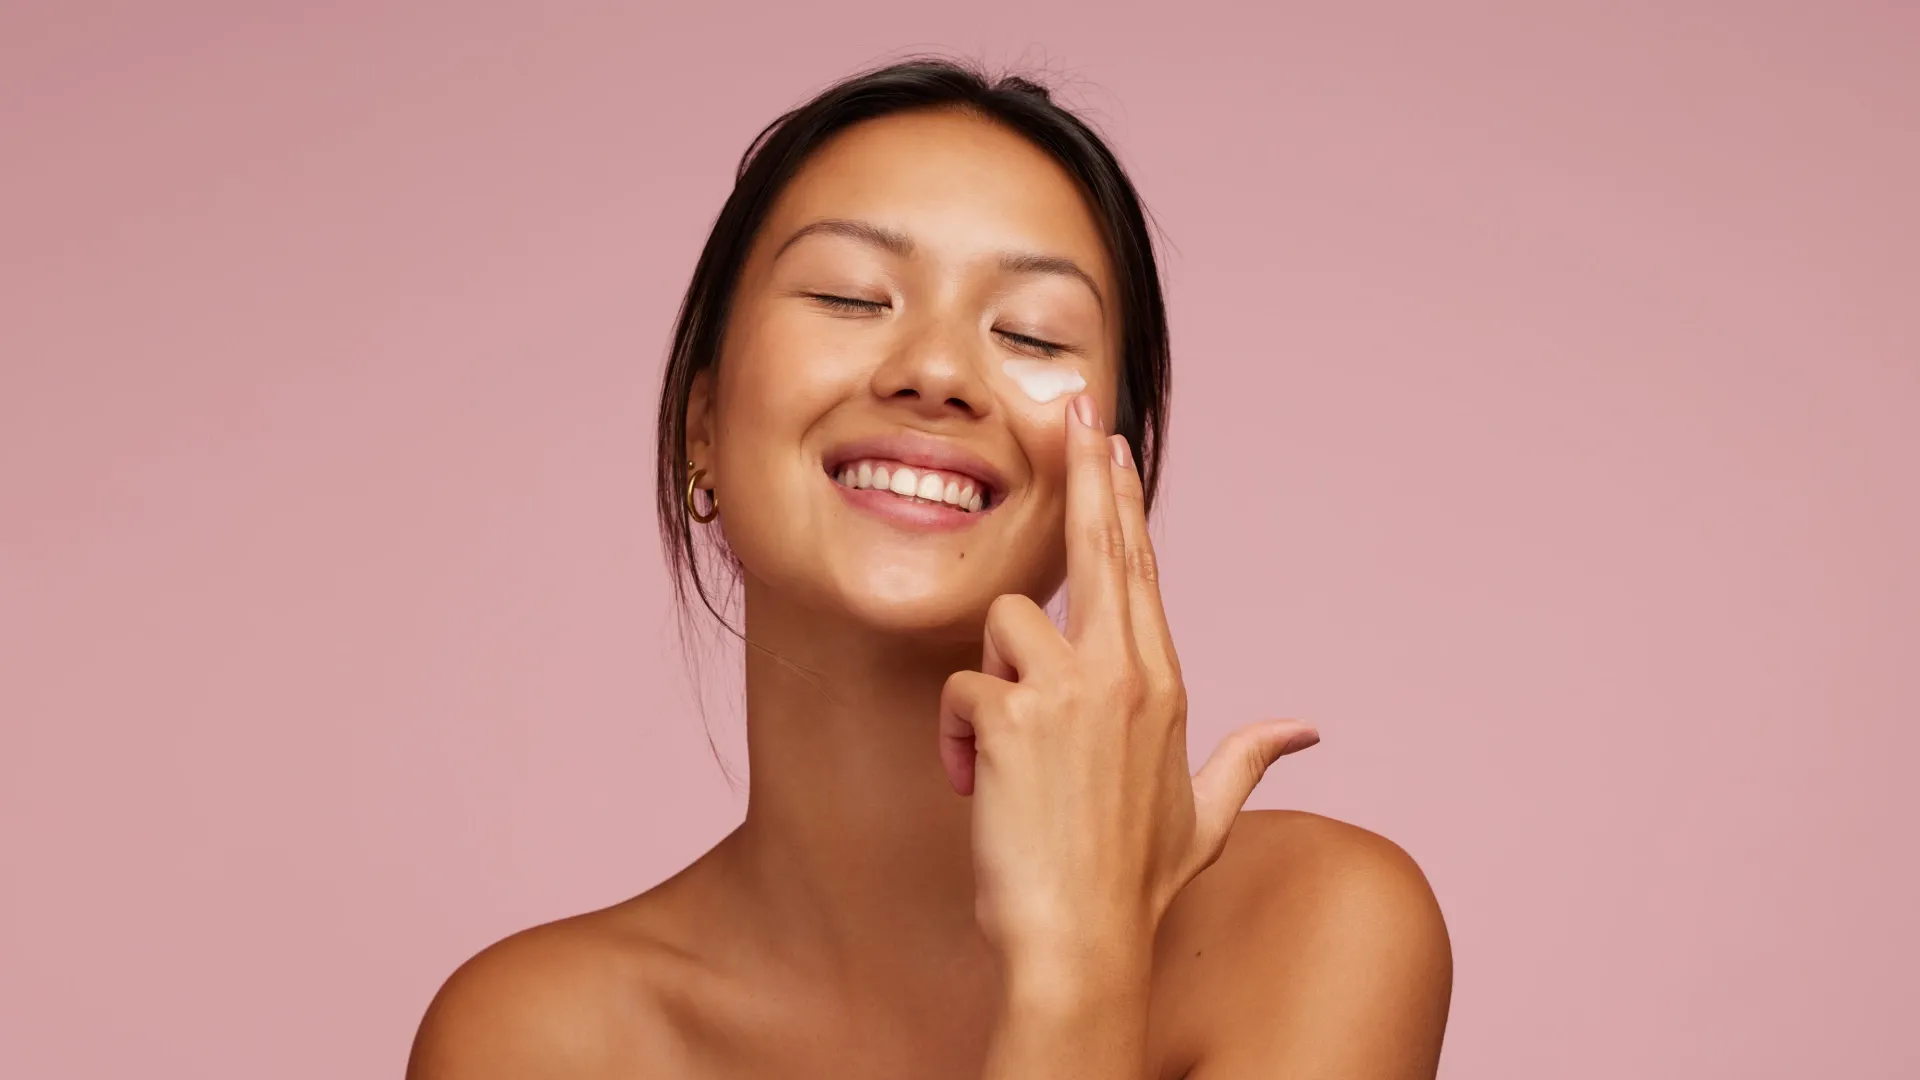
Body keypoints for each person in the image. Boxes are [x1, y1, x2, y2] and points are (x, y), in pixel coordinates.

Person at [407, 58, 1452, 1079]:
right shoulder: (530, 1039)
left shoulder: (1312, 928)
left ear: (1113, 472)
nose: (939, 373)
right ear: (703, 427)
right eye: (853, 297)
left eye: (1034, 335)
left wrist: (1078, 960)